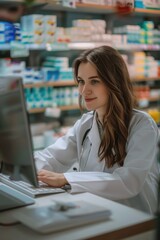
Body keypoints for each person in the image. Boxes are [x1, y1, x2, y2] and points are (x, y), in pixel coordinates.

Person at [35, 45, 160, 214]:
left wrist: (66, 178)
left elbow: (129, 182)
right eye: (81, 81)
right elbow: (51, 157)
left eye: (94, 81)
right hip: (96, 211)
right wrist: (23, 167)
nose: (84, 90)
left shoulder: (142, 125)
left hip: (133, 218)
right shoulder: (85, 123)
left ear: (113, 82)